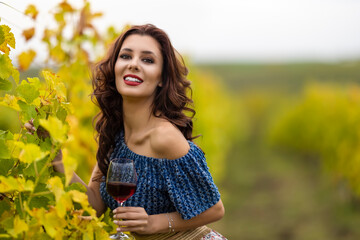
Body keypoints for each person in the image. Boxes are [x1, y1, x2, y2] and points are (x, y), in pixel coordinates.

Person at [53, 24, 226, 239]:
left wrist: (155, 223)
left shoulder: (164, 137)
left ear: (162, 78)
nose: (134, 64)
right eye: (126, 56)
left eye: (148, 60)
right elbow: (95, 204)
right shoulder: (115, 133)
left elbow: (215, 208)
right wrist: (57, 161)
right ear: (114, 67)